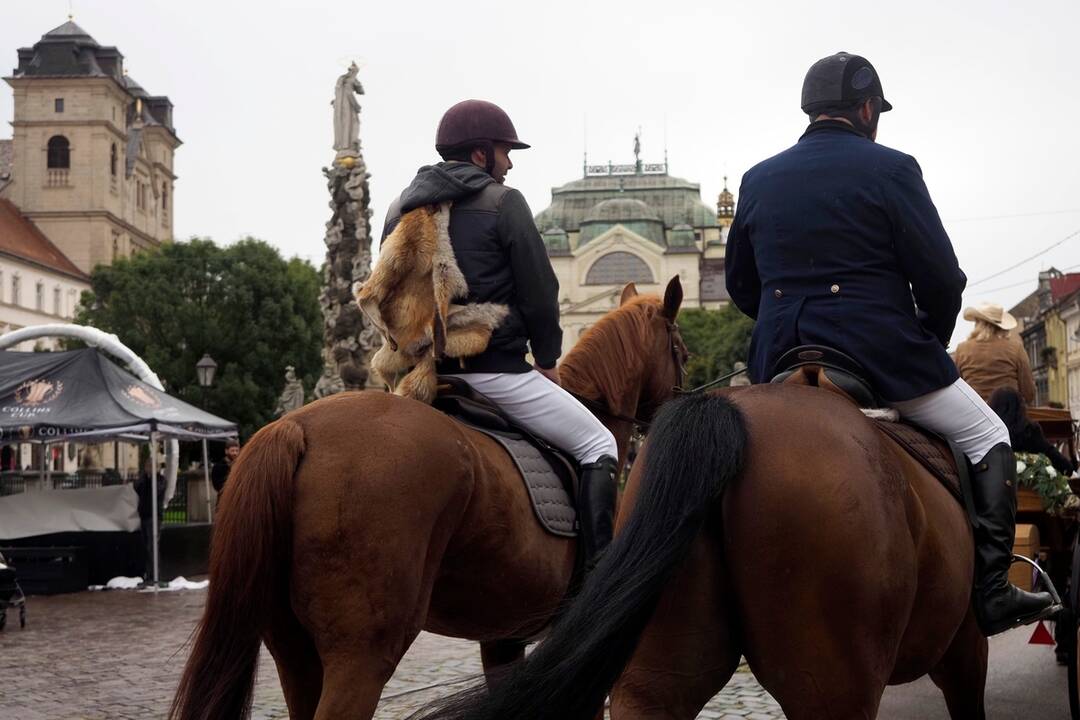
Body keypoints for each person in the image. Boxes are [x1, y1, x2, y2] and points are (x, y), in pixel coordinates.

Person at [724, 52, 1055, 636]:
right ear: (867, 109)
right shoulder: (892, 168)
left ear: (810, 111)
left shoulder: (757, 177)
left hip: (778, 358)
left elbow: (741, 286)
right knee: (989, 433)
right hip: (877, 354)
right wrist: (922, 339)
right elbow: (942, 279)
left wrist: (787, 325)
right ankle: (995, 590)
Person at [380, 99, 618, 566]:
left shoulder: (398, 207)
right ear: (479, 154)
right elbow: (539, 290)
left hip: (418, 377)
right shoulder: (504, 202)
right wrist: (547, 361)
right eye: (505, 152)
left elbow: (388, 291)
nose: (508, 163)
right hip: (494, 373)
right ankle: (601, 585)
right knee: (599, 444)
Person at [954, 303, 1036, 404]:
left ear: (978, 323)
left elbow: (956, 388)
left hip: (974, 412)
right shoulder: (1016, 348)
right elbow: (1028, 392)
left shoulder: (962, 349)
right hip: (1008, 412)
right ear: (1001, 326)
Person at [989, 387, 1076, 476]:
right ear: (1020, 407)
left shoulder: (988, 432)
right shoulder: (1029, 431)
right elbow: (1049, 452)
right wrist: (1068, 468)